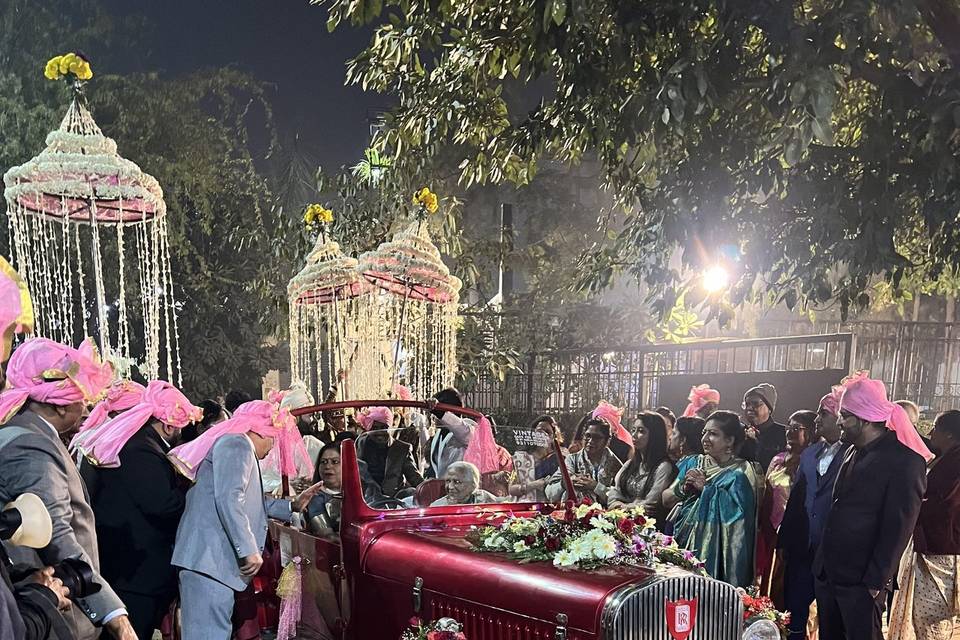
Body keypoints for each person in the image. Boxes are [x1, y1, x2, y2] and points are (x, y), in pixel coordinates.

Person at [0, 338, 136, 640]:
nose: (86, 408)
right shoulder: (29, 443)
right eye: (81, 399)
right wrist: (115, 615)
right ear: (57, 404)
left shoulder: (29, 434)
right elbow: (57, 535)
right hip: (55, 607)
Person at [168, 399, 322, 640]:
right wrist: (248, 549)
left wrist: (292, 505)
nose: (273, 446)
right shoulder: (236, 443)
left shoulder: (236, 444)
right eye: (272, 437)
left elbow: (247, 501)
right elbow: (229, 498)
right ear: (258, 429)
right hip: (210, 561)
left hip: (212, 563)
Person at [73, 380, 201, 640]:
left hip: (127, 566)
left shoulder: (133, 443)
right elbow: (162, 505)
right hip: (135, 572)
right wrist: (192, 488)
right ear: (167, 424)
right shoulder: (142, 449)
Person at [813, 374, 932, 640]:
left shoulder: (906, 462)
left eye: (845, 415)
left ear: (865, 418)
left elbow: (899, 527)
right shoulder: (851, 450)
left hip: (863, 581)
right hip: (829, 574)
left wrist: (877, 581)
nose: (839, 421)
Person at [663, 410, 763, 587]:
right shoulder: (692, 462)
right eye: (704, 432)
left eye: (714, 434)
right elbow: (666, 499)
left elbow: (741, 520)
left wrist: (706, 490)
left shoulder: (740, 472)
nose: (705, 438)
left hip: (718, 556)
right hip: (682, 541)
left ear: (730, 440)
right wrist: (684, 488)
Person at [779, 388, 850, 638]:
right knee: (794, 608)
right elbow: (797, 500)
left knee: (833, 617)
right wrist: (785, 540)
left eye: (824, 413)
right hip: (803, 545)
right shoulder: (809, 454)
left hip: (835, 550)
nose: (817, 419)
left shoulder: (854, 455)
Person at [889, 410, 960, 640]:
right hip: (932, 546)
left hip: (940, 551)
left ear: (949, 434)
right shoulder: (946, 458)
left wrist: (910, 502)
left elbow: (944, 504)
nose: (931, 433)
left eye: (936, 428)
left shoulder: (955, 462)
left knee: (932, 620)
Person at [756, 409, 816, 602]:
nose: (790, 432)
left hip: (797, 536)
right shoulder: (777, 460)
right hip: (771, 533)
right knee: (769, 585)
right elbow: (766, 496)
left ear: (811, 432)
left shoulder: (814, 462)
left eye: (796, 428)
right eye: (788, 427)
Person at [607, 412, 677, 522]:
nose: (634, 435)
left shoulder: (663, 467)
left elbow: (650, 505)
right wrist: (631, 507)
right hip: (621, 522)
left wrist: (622, 506)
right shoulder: (630, 464)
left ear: (655, 435)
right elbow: (612, 496)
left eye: (641, 431)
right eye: (633, 430)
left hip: (647, 527)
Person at [545, 418, 622, 505]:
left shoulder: (616, 465)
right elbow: (549, 493)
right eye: (588, 436)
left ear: (607, 441)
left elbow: (621, 498)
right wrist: (564, 484)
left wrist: (595, 486)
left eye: (597, 437)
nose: (590, 441)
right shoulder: (572, 460)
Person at [356, 406, 423, 497]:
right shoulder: (359, 444)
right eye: (375, 428)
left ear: (390, 427)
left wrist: (428, 490)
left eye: (384, 427)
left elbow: (415, 478)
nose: (380, 432)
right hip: (365, 499)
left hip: (394, 501)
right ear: (368, 429)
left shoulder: (402, 448)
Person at [507, 415, 563, 501]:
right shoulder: (521, 457)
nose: (542, 435)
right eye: (539, 431)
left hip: (551, 507)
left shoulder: (559, 458)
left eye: (547, 432)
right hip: (524, 506)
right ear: (532, 434)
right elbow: (511, 489)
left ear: (553, 437)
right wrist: (533, 485)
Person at [426, 388, 475, 479]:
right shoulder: (438, 434)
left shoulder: (468, 427)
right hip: (443, 488)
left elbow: (465, 433)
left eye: (435, 414)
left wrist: (441, 413)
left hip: (462, 486)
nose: (434, 418)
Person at [741, 383, 787, 471]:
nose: (749, 408)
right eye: (747, 404)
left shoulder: (784, 434)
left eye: (756, 404)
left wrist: (756, 443)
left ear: (769, 409)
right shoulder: (740, 432)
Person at [305, 441, 346, 534]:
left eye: (335, 462)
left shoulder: (363, 492)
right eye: (323, 462)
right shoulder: (316, 497)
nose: (327, 466)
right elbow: (326, 535)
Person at [430, 462, 497, 506]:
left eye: (457, 482)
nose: (450, 487)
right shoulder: (436, 507)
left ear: (473, 484)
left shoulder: (486, 499)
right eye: (448, 481)